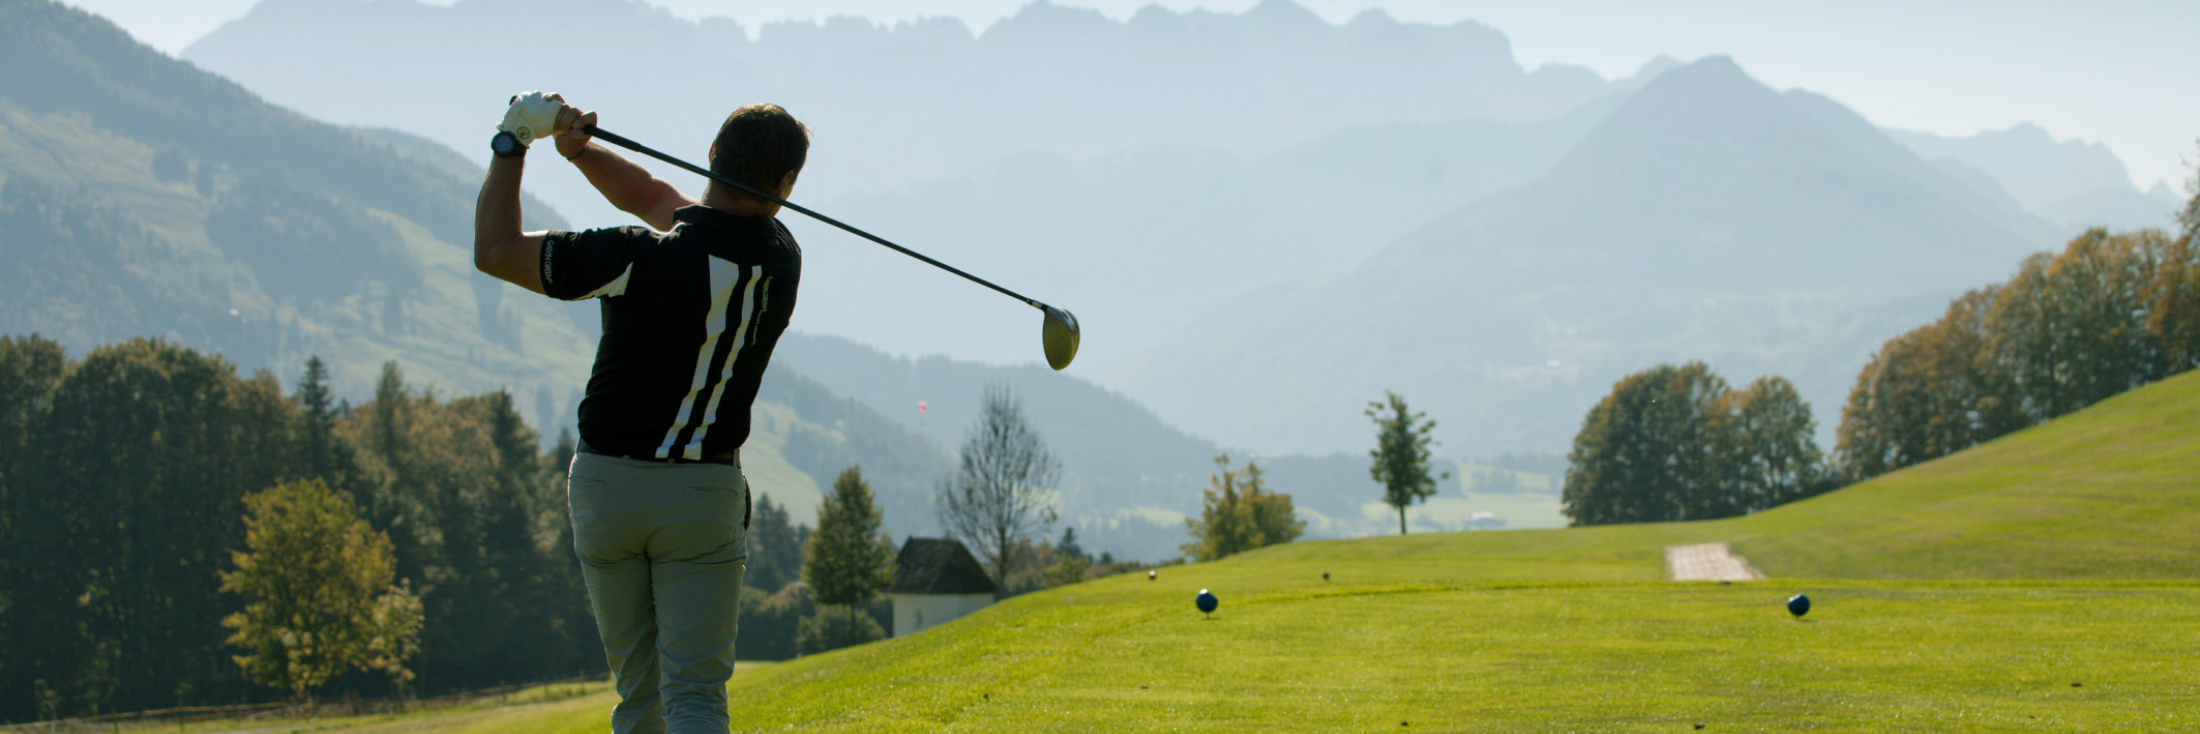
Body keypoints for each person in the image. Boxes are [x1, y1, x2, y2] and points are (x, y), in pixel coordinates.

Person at [472, 91, 808, 734]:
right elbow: (659, 198)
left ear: (712, 154)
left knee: (640, 701)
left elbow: (496, 250)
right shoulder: (781, 260)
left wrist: (514, 140)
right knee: (696, 699)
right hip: (703, 495)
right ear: (788, 184)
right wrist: (582, 153)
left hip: (608, 491)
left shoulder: (632, 256)